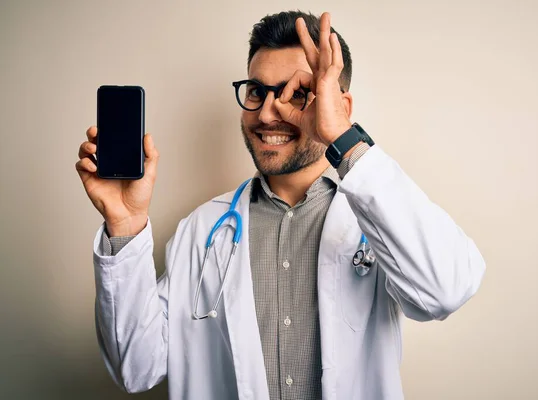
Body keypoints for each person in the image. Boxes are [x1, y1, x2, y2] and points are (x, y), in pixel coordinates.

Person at [76, 10, 486, 400]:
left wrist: (341, 137)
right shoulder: (201, 231)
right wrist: (125, 224)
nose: (268, 112)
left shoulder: (377, 218)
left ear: (339, 108)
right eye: (257, 91)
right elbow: (135, 366)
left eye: (299, 93)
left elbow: (445, 290)